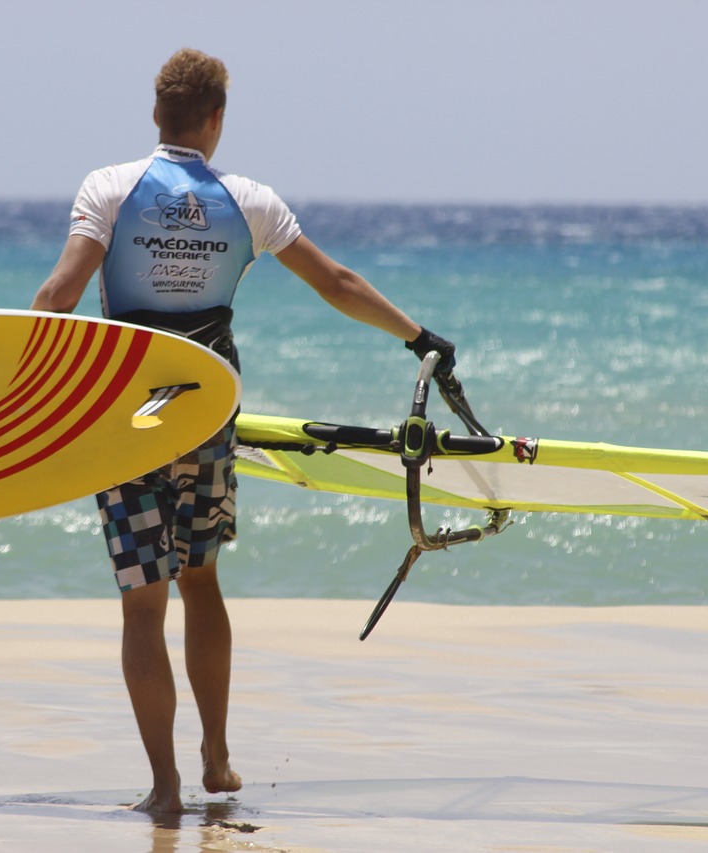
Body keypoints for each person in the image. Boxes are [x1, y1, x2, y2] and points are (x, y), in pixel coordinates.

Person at [30, 48, 457, 815]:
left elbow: (61, 293)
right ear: (217, 119)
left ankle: (164, 788)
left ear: (156, 113)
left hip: (122, 417)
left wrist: (12, 379)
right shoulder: (248, 200)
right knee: (201, 581)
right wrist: (419, 335)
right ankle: (218, 758)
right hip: (204, 411)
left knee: (142, 603)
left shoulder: (109, 189)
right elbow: (337, 283)